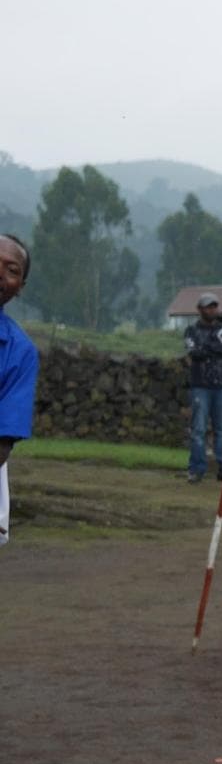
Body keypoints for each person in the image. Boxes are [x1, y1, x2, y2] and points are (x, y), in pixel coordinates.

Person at [0, 234, 39, 547]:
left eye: (11, 270)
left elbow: (3, 440)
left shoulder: (19, 351)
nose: (0, 274)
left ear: (20, 287)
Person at [183, 292, 222, 483]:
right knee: (198, 429)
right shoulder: (191, 331)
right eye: (208, 306)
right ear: (200, 309)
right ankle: (196, 469)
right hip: (200, 386)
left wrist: (207, 347)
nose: (212, 309)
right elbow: (194, 352)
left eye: (214, 306)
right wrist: (217, 347)